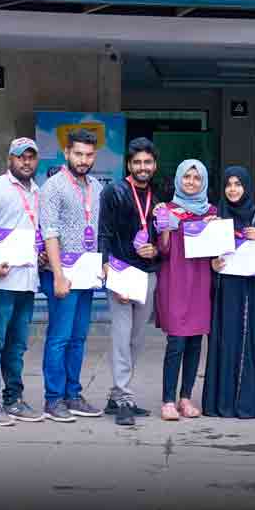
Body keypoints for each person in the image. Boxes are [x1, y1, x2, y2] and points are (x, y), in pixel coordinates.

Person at [0, 137, 45, 426]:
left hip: (26, 281)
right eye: (20, 156)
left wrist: (40, 254)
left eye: (30, 157)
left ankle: (13, 399)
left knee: (17, 345)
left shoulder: (37, 192)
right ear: (9, 159)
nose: (26, 162)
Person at [38, 128, 105, 422]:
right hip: (62, 273)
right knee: (60, 337)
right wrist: (57, 275)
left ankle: (73, 395)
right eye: (78, 154)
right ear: (66, 153)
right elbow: (49, 232)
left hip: (86, 273)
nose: (83, 160)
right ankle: (53, 399)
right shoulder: (53, 187)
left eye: (89, 155)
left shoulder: (96, 187)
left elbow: (99, 229)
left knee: (78, 337)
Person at [98, 137, 160, 426]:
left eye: (147, 162)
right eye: (137, 162)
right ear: (128, 164)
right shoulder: (114, 191)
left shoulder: (158, 195)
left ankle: (116, 396)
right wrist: (108, 269)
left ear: (154, 165)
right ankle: (124, 398)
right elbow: (104, 233)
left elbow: (162, 236)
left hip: (148, 274)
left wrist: (155, 249)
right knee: (121, 338)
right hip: (122, 272)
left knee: (135, 339)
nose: (142, 167)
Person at [203, 166, 255, 419]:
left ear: (247, 187)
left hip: (249, 289)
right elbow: (205, 254)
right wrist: (212, 263)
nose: (232, 189)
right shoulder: (217, 216)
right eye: (228, 184)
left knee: (246, 340)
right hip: (224, 288)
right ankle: (220, 403)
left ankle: (245, 403)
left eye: (238, 184)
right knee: (223, 340)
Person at [155, 159, 216, 421]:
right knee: (176, 342)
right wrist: (165, 227)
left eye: (197, 178)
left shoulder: (211, 212)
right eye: (187, 177)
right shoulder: (166, 210)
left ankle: (185, 398)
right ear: (179, 179)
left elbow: (218, 252)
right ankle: (168, 400)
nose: (191, 182)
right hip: (176, 280)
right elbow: (163, 250)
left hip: (201, 282)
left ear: (203, 182)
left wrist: (215, 230)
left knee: (194, 342)